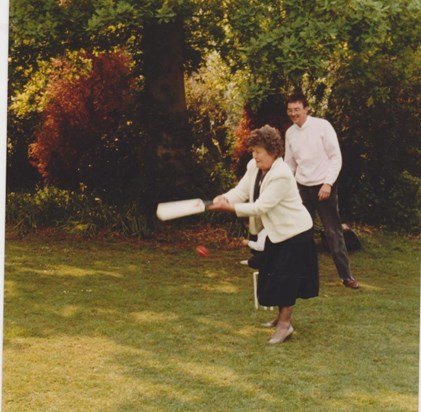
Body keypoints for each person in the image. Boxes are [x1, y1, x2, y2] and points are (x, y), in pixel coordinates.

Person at [208, 125, 319, 344]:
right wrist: (225, 198)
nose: (254, 156)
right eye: (253, 151)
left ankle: (286, 326)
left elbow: (260, 207)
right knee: (273, 275)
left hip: (296, 234)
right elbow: (241, 192)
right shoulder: (254, 167)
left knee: (286, 280)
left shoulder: (282, 175)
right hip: (277, 234)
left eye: (259, 151)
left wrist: (230, 209)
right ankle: (280, 319)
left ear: (273, 151)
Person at [284, 92, 360, 289]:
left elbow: (336, 157)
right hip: (302, 188)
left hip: (324, 187)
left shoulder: (322, 126)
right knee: (301, 233)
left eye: (297, 110)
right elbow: (289, 164)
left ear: (306, 109)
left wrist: (328, 184)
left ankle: (346, 277)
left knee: (334, 233)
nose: (293, 114)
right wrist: (288, 187)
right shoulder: (290, 133)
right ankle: (302, 275)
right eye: (290, 110)